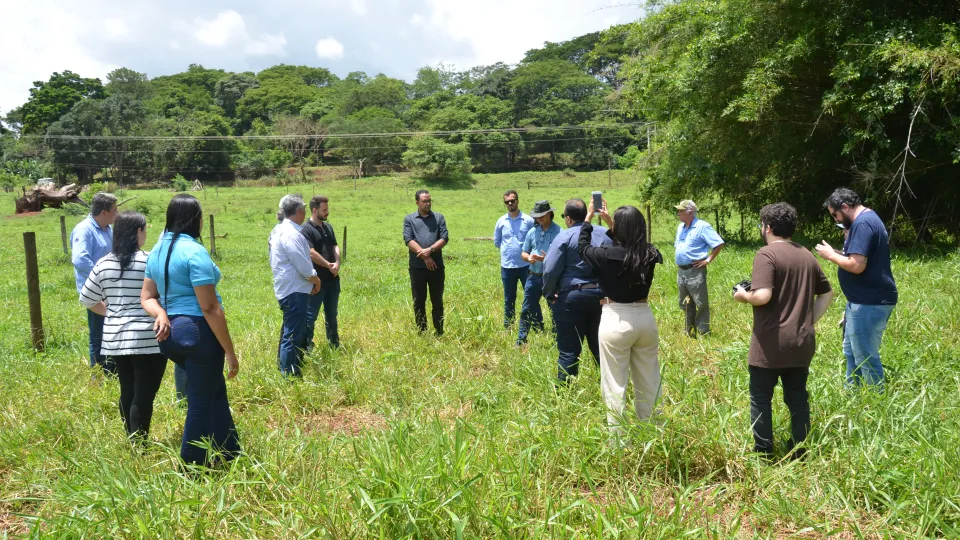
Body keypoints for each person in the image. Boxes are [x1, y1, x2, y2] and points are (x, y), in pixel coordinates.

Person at [141, 194, 241, 467]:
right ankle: (193, 465)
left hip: (169, 335)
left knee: (213, 389)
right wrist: (230, 353)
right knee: (199, 401)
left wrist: (161, 312)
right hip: (196, 332)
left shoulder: (157, 250)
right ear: (196, 220)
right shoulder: (194, 252)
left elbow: (147, 297)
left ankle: (229, 448)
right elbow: (209, 308)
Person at [735, 203, 834, 457]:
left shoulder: (766, 254)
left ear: (767, 227)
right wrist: (809, 320)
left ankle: (764, 452)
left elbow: (763, 296)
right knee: (798, 398)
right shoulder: (806, 254)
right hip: (801, 342)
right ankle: (800, 450)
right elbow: (827, 293)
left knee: (760, 398)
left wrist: (744, 296)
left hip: (769, 343)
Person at [79, 211, 167, 443]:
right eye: (145, 229)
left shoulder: (104, 263)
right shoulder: (149, 261)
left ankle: (132, 439)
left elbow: (87, 299)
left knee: (128, 390)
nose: (146, 234)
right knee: (144, 394)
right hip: (147, 337)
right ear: (138, 231)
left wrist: (112, 313)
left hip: (115, 339)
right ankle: (140, 445)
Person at [579, 200, 663, 436]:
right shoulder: (650, 253)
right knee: (649, 380)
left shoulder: (606, 255)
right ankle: (653, 433)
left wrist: (588, 220)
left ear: (618, 229)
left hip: (615, 317)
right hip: (645, 318)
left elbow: (583, 248)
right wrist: (612, 223)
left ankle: (618, 440)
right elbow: (633, 247)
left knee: (615, 384)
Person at [815, 188, 897, 390]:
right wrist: (836, 252)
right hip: (860, 301)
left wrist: (830, 255)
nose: (837, 220)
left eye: (836, 215)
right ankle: (854, 396)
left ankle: (877, 405)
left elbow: (857, 265)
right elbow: (855, 258)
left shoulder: (862, 223)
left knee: (866, 356)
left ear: (845, 206)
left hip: (870, 301)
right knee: (852, 352)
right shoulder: (867, 220)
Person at [542, 198, 612, 383]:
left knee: (568, 351)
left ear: (569, 219)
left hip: (571, 298)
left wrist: (550, 294)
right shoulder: (605, 234)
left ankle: (565, 396)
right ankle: (611, 390)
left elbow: (549, 269)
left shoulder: (564, 237)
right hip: (601, 297)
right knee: (601, 348)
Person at [270, 194, 322, 376]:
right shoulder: (291, 233)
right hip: (294, 289)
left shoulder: (279, 230)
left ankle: (286, 366)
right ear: (299, 212)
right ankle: (290, 373)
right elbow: (302, 263)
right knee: (293, 334)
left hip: (288, 288)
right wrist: (315, 278)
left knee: (289, 330)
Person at [71, 192, 119, 374]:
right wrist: (101, 278)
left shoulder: (107, 229)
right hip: (95, 291)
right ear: (104, 211)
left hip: (109, 288)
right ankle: (99, 373)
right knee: (98, 333)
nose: (117, 213)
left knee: (110, 327)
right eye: (115, 209)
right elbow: (80, 260)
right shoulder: (85, 230)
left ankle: (111, 370)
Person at [674, 199, 724, 336]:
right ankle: (689, 332)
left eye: (680, 211)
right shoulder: (680, 227)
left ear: (689, 212)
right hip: (681, 271)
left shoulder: (702, 226)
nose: (678, 213)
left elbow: (718, 244)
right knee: (685, 302)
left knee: (700, 302)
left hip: (695, 271)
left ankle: (703, 333)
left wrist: (708, 260)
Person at [403, 190, 449, 336]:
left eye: (429, 200)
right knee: (419, 301)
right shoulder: (410, 219)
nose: (428, 203)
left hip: (436, 267)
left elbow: (444, 237)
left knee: (437, 300)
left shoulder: (438, 217)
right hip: (417, 268)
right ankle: (422, 331)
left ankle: (439, 330)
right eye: (424, 201)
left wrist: (430, 250)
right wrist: (425, 256)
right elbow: (408, 240)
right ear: (417, 202)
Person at [517, 200, 562, 346]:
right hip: (533, 276)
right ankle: (521, 340)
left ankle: (558, 341)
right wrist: (528, 257)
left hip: (552, 279)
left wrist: (546, 259)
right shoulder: (532, 231)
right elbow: (524, 252)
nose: (539, 219)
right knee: (526, 309)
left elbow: (563, 257)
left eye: (542, 216)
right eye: (537, 217)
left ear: (549, 214)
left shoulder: (559, 232)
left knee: (555, 310)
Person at [301, 195, 341, 350]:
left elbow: (335, 246)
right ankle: (306, 347)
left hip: (333, 280)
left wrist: (337, 263)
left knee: (332, 315)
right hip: (317, 281)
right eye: (324, 210)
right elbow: (310, 252)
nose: (327, 213)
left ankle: (334, 345)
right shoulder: (306, 229)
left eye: (327, 209)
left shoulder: (327, 227)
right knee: (311, 316)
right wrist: (328, 265)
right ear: (314, 210)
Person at [493, 190, 534, 329]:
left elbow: (534, 240)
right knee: (509, 298)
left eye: (513, 200)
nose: (510, 203)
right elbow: (497, 241)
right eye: (507, 202)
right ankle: (508, 325)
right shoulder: (501, 221)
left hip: (525, 266)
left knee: (530, 296)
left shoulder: (528, 220)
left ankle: (533, 324)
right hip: (507, 266)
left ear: (518, 201)